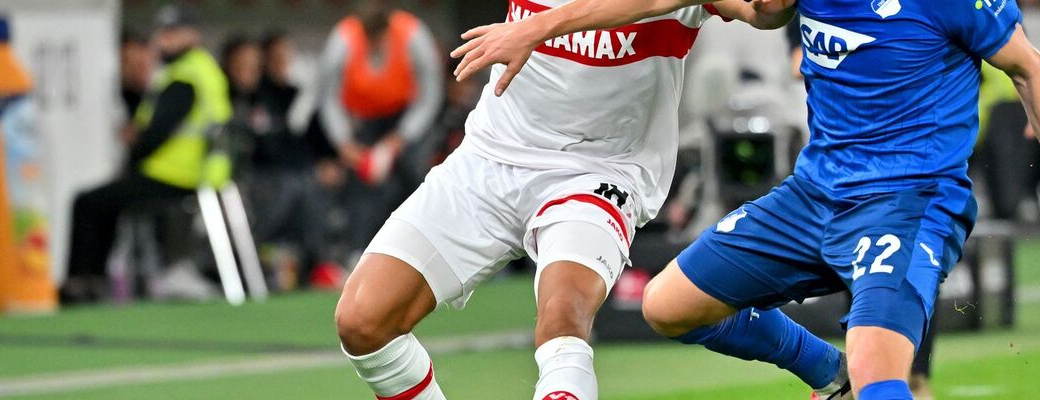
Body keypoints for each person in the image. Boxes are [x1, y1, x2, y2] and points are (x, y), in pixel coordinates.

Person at [452, 0, 1040, 399]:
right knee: (664, 306)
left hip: (908, 198)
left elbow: (1032, 69)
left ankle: (856, 374)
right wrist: (547, 24)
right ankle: (821, 367)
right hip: (815, 194)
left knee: (884, 376)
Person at [332, 2, 796, 400]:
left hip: (597, 170)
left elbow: (760, 13)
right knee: (363, 321)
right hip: (490, 156)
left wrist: (772, 7)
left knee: (562, 318)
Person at [60, 5, 231, 304]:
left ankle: (83, 282)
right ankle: (94, 281)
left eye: (172, 33)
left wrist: (134, 150)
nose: (163, 41)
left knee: (87, 203)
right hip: (186, 173)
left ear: (191, 35)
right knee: (104, 203)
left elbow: (157, 132)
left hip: (172, 174)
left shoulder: (186, 75)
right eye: (162, 33)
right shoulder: (199, 69)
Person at [317, 0, 443, 250]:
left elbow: (431, 95)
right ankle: (359, 251)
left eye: (378, 37)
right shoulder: (342, 40)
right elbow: (328, 98)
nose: (373, 44)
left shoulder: (412, 35)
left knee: (414, 174)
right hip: (366, 121)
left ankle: (423, 247)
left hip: (408, 116)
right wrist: (345, 144)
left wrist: (400, 138)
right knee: (362, 183)